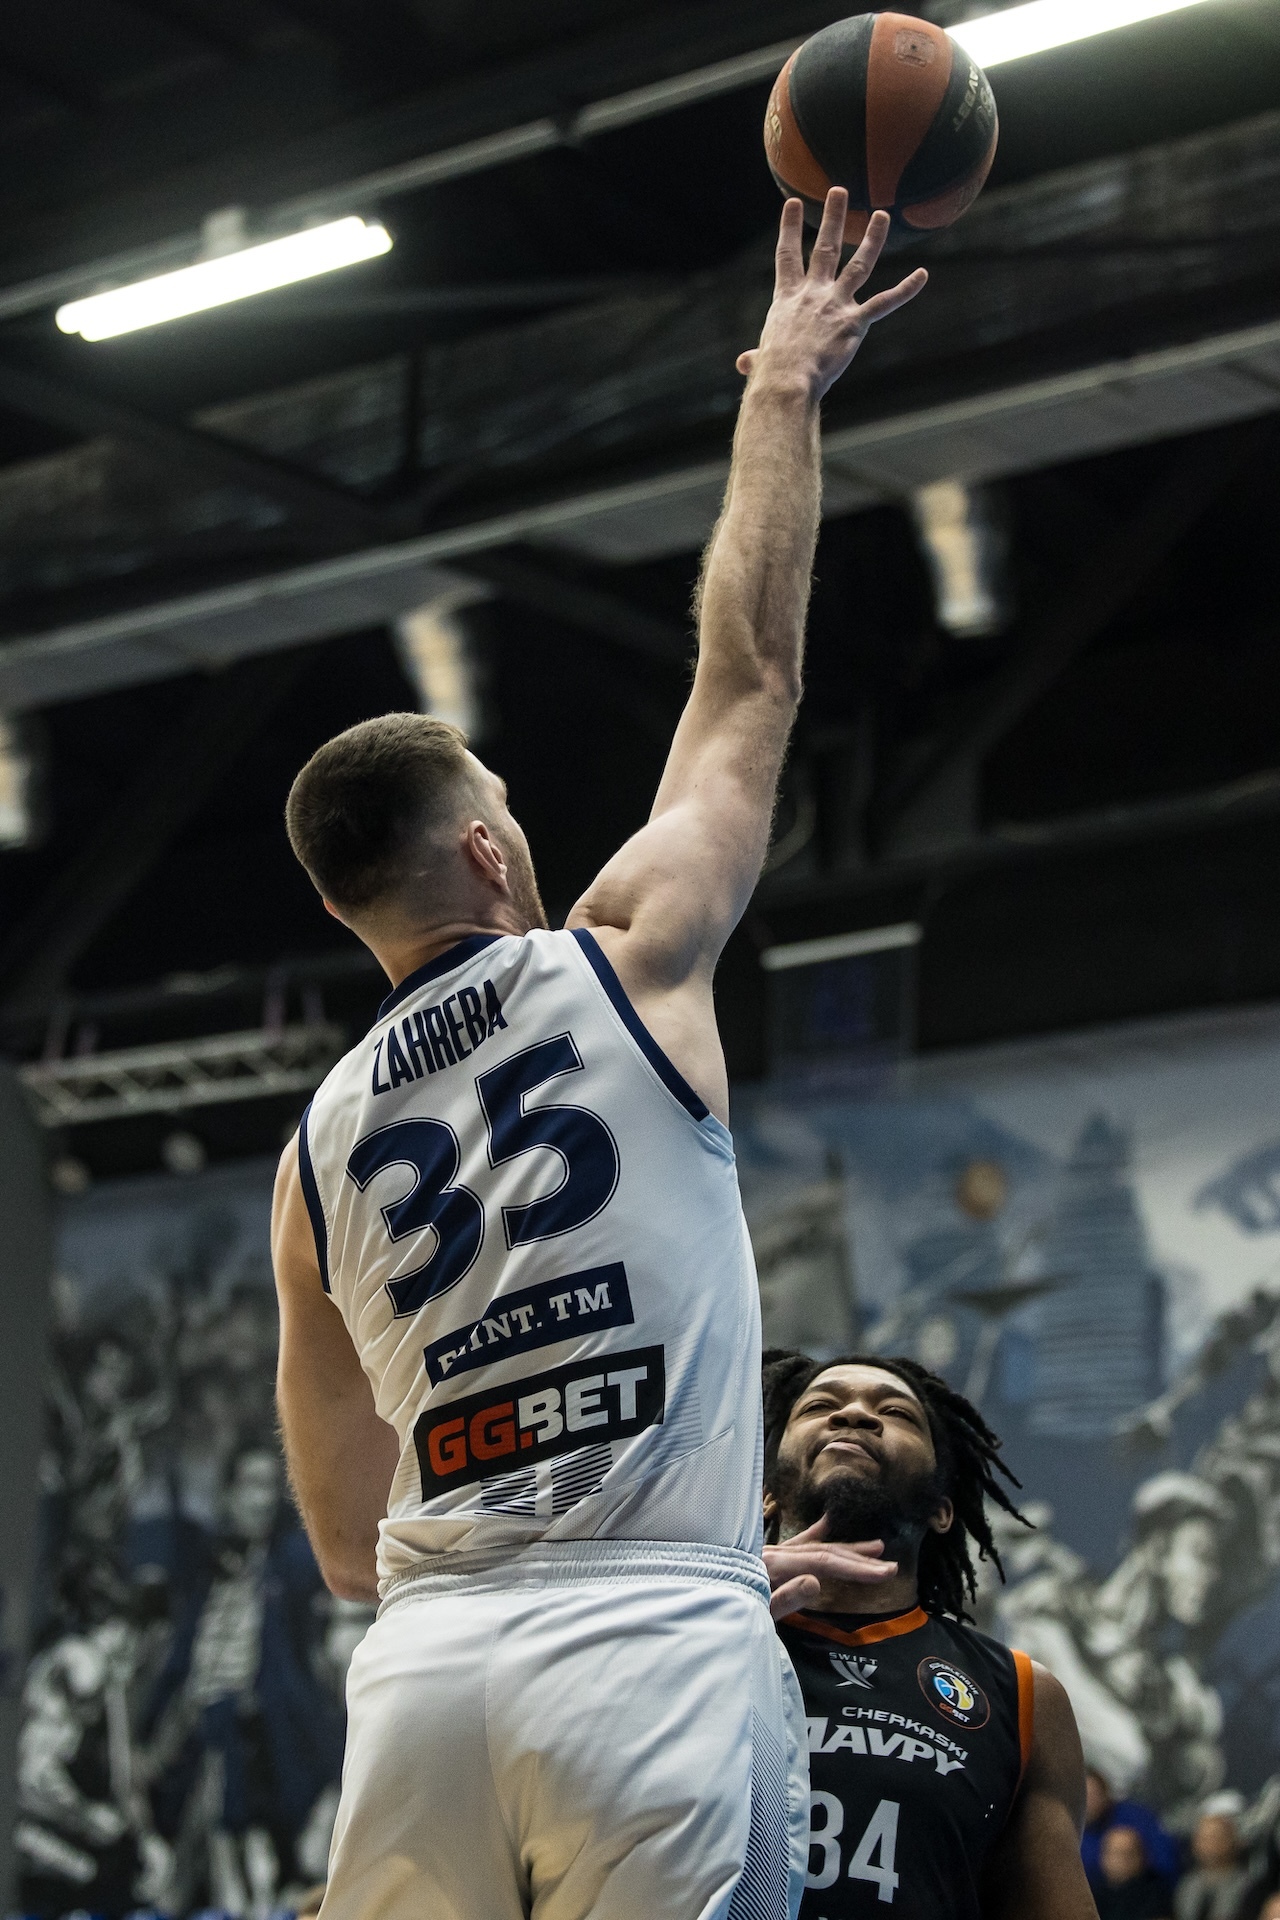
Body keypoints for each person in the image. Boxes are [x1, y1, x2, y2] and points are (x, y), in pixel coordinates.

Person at [270, 188, 928, 1920]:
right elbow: (752, 675)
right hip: (648, 1647)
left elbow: (342, 1543)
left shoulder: (313, 1154)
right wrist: (782, 384)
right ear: (490, 850)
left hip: (426, 1682)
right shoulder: (624, 958)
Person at [760, 1349, 1098, 1920]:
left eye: (895, 1412)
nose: (854, 1414)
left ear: (943, 1509)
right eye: (820, 1406)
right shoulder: (689, 1634)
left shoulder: (1021, 1694)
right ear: (767, 1491)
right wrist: (715, 1614)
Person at [1084, 1770, 1180, 1895]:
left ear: (1106, 1794)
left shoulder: (1136, 1816)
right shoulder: (1071, 1831)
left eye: (1094, 1794)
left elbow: (1165, 1862)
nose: (1089, 1801)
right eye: (1084, 1796)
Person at [1175, 1813, 1267, 1920]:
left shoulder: (1250, 1886)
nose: (1207, 1845)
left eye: (1214, 1837)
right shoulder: (1187, 1885)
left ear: (1233, 1841)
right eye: (1203, 1838)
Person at [1094, 1827, 1173, 1920]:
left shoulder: (1156, 1894)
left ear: (1141, 1857)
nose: (1121, 1860)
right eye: (1115, 1853)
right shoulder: (1094, 1893)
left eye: (1127, 1854)